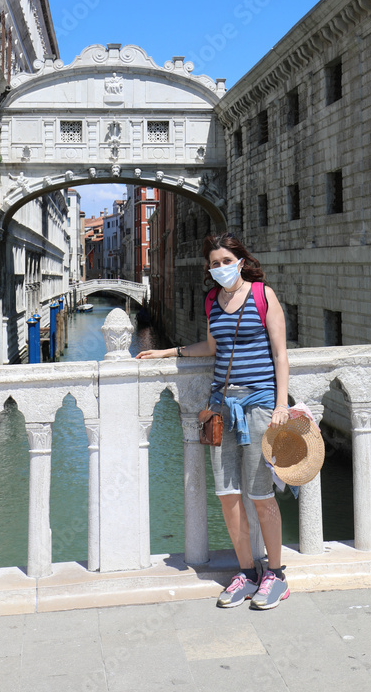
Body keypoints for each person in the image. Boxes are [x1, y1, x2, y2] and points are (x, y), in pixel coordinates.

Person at [137, 232, 291, 610]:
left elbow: (280, 353)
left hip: (258, 405)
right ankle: (245, 572)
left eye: (226, 260)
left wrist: (281, 403)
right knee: (227, 496)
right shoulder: (212, 300)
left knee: (261, 495)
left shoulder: (262, 295)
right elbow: (211, 347)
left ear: (241, 260)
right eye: (214, 263)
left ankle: (275, 574)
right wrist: (168, 352)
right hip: (220, 407)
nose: (220, 268)